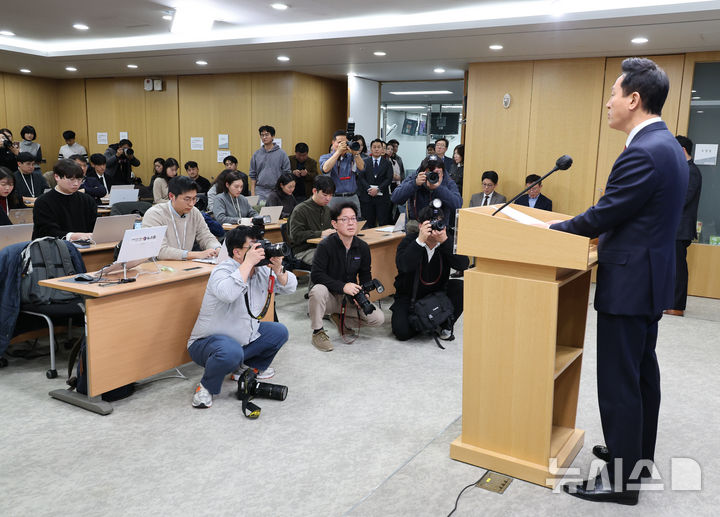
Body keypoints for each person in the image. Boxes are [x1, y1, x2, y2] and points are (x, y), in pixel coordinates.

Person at [544, 58, 688, 505]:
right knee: (642, 371)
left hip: (629, 285)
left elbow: (606, 214)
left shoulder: (643, 151)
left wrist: (551, 230)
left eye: (612, 93)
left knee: (619, 381)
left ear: (634, 99)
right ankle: (635, 456)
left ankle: (623, 482)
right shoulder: (666, 146)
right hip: (648, 280)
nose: (607, 103)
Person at [187, 225, 297, 408]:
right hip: (206, 344)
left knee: (279, 331)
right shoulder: (221, 271)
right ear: (237, 252)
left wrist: (278, 270)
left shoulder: (260, 270)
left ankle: (244, 369)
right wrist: (248, 264)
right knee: (230, 352)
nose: (259, 251)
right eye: (253, 247)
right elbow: (228, 293)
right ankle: (206, 387)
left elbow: (289, 288)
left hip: (241, 338)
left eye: (260, 246)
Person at [308, 202, 384, 352]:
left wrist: (365, 293)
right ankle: (318, 332)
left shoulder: (362, 247)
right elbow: (317, 275)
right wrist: (343, 286)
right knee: (318, 290)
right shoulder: (325, 246)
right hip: (328, 296)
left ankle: (341, 319)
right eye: (345, 219)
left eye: (354, 218)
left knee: (378, 318)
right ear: (334, 224)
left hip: (348, 298)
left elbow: (364, 274)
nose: (351, 223)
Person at [391, 205, 468, 341]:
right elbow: (403, 266)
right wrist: (420, 241)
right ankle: (427, 323)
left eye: (439, 223)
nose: (435, 227)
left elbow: (463, 264)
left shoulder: (447, 241)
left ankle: (445, 324)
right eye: (430, 224)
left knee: (461, 287)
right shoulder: (410, 241)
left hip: (438, 295)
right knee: (401, 332)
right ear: (420, 225)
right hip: (410, 297)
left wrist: (445, 241)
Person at [665, 135, 703, 317]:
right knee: (672, 266)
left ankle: (677, 305)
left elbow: (684, 198)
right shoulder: (681, 169)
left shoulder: (692, 171)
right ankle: (669, 301)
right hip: (673, 227)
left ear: (682, 150)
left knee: (678, 268)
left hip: (681, 228)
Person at [142, 176, 221, 261]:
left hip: (185, 265)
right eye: (187, 199)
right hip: (159, 268)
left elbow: (206, 236)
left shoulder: (194, 212)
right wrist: (196, 254)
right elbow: (159, 250)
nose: (191, 204)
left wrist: (217, 248)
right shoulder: (155, 214)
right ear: (171, 196)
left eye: (194, 199)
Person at [391, 155, 462, 231]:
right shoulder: (415, 178)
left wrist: (438, 188)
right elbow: (395, 198)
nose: (433, 176)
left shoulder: (448, 182)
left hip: (439, 230)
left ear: (443, 172)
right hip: (417, 229)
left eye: (437, 173)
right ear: (423, 171)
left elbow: (457, 204)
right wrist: (415, 184)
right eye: (430, 173)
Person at [32, 159, 97, 241]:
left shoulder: (87, 200)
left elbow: (95, 227)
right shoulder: (43, 202)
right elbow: (47, 232)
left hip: (87, 246)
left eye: (79, 179)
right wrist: (73, 236)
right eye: (71, 179)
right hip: (55, 248)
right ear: (57, 177)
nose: (76, 183)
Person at [287, 175, 335, 266]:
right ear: (314, 191)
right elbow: (295, 235)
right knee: (329, 259)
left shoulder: (327, 210)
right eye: (325, 195)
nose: (328, 198)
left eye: (331, 195)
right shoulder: (300, 209)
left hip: (323, 247)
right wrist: (320, 234)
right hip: (304, 251)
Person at [319, 130, 365, 216]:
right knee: (332, 224)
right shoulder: (326, 157)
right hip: (334, 198)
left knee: (355, 224)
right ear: (333, 143)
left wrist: (356, 153)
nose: (343, 145)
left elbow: (362, 168)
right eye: (340, 142)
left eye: (346, 143)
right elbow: (325, 169)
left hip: (352, 197)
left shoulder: (352, 157)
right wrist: (338, 152)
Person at [248, 125, 291, 200]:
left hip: (277, 190)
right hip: (260, 191)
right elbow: (253, 175)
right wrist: (252, 193)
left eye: (267, 135)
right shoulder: (256, 154)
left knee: (276, 211)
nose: (264, 137)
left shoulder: (282, 154)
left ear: (273, 136)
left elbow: (286, 173)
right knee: (259, 211)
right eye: (262, 135)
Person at [358, 138, 393, 227]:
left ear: (382, 149)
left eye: (379, 147)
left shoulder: (387, 163)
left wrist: (378, 189)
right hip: (367, 197)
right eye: (374, 147)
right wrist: (369, 188)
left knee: (383, 223)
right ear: (371, 149)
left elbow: (389, 179)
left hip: (382, 198)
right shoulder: (364, 162)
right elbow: (361, 177)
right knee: (368, 224)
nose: (376, 149)